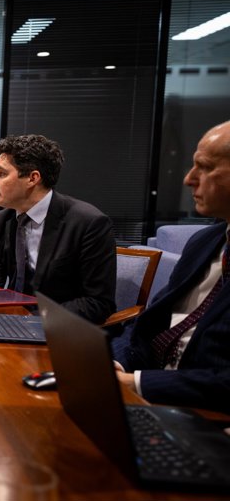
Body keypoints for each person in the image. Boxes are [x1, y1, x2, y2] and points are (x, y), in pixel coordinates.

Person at [114, 120, 230, 414]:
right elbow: (146, 323)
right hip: (145, 392)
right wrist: (117, 364)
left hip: (200, 413)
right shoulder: (205, 241)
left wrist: (135, 383)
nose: (188, 179)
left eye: (205, 167)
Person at [0, 134, 116, 323]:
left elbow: (98, 303)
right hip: (9, 322)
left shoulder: (89, 223)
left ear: (32, 178)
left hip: (62, 328)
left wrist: (31, 320)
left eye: (2, 174)